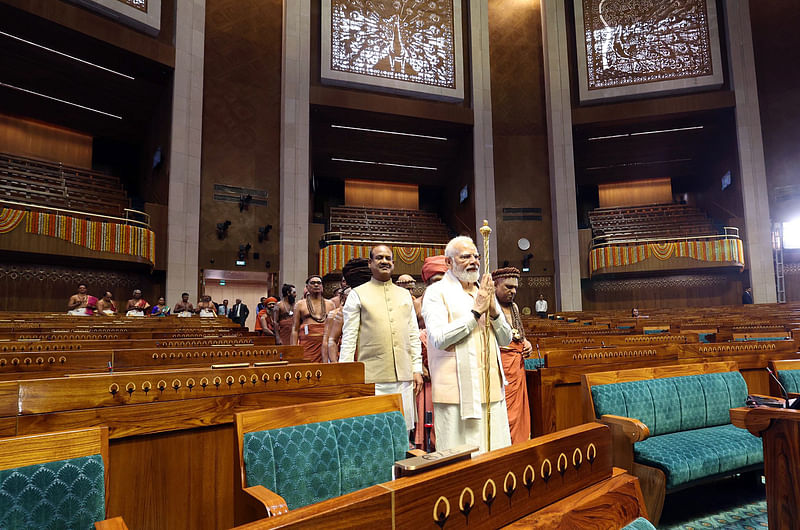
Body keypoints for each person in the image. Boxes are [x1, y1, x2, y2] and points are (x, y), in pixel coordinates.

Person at [421, 236, 512, 454]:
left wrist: (493, 311)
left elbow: (506, 339)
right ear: (449, 262)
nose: (474, 261)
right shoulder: (436, 292)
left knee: (495, 453)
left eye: (476, 256)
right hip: (456, 394)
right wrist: (476, 312)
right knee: (461, 459)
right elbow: (439, 338)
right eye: (465, 256)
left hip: (491, 391)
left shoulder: (483, 290)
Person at [340, 245, 423, 432]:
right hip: (372, 377)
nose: (384, 261)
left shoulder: (404, 295)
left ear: (393, 263)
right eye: (379, 258)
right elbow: (349, 337)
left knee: (403, 430)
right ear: (370, 263)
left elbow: (413, 335)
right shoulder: (357, 294)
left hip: (404, 376)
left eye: (388, 258)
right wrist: (346, 374)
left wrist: (416, 368)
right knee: (374, 431)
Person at [492, 267, 532, 445]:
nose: (513, 291)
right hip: (499, 367)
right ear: (495, 285)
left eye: (515, 287)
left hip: (517, 368)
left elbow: (519, 334)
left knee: (519, 412)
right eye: (508, 287)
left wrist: (527, 343)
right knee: (504, 413)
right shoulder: (489, 306)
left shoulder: (514, 307)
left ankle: (519, 444)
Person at [414, 254, 449, 450]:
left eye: (443, 279)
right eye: (435, 280)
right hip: (426, 367)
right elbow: (408, 336)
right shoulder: (417, 304)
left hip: (447, 366)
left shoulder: (454, 299)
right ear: (427, 282)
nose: (440, 285)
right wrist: (418, 365)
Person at [291, 275, 334, 362]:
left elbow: (334, 328)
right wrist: (293, 349)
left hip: (325, 343)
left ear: (322, 286)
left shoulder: (330, 304)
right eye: (313, 283)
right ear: (307, 287)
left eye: (318, 283)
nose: (316, 285)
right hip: (307, 344)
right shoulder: (300, 304)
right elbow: (295, 329)